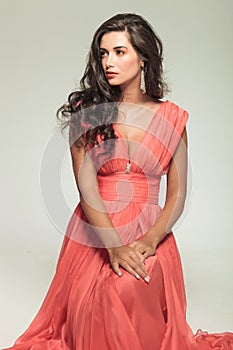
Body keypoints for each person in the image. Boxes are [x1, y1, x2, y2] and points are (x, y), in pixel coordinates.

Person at [4, 13, 233, 350]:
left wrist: (151, 241)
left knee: (134, 284)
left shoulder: (173, 118)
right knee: (109, 294)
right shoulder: (87, 111)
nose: (108, 61)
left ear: (143, 58)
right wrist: (112, 245)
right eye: (102, 53)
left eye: (119, 52)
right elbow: (86, 188)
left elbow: (178, 194)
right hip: (96, 230)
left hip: (151, 231)